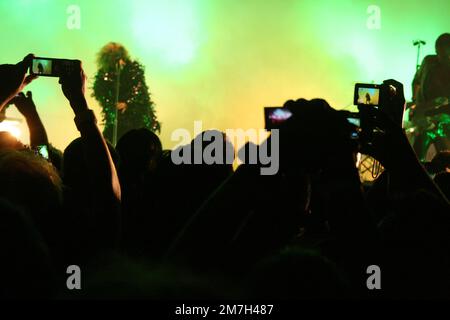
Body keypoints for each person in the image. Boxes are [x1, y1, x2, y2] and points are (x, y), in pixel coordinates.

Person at [411, 33, 450, 161]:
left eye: (447, 54)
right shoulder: (428, 62)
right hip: (424, 118)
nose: (443, 58)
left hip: (444, 121)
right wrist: (415, 102)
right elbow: (416, 82)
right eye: (441, 54)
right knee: (417, 157)